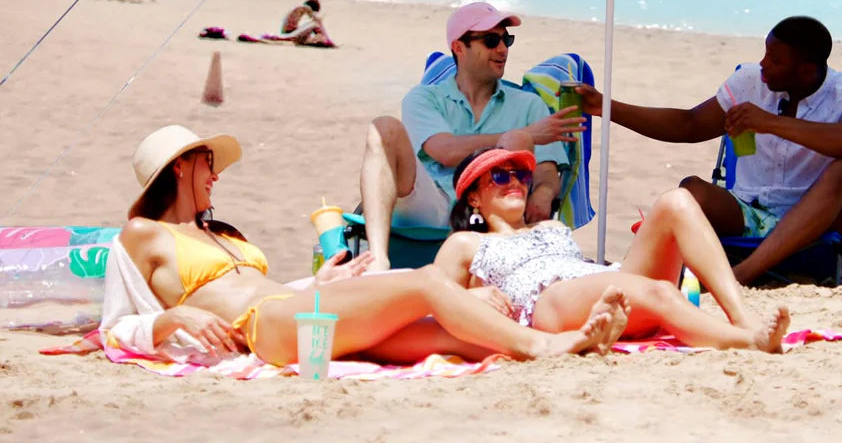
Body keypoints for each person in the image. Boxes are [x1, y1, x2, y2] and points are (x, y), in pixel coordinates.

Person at [102, 125, 627, 367]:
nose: (215, 175)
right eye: (207, 164)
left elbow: (261, 289)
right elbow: (114, 324)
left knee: (448, 337)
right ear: (179, 167)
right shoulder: (144, 233)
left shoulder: (223, 235)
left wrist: (317, 282)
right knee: (426, 283)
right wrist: (171, 320)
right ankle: (543, 345)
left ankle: (566, 339)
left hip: (294, 311)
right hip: (264, 329)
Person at [575, 16, 842, 285]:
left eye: (775, 60)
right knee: (691, 191)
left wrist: (771, 123)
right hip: (749, 213)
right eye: (765, 53)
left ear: (806, 71)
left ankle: (741, 275)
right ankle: (638, 269)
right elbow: (689, 125)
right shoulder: (751, 82)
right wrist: (605, 107)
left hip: (818, 225)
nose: (763, 64)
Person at [435, 147, 790, 353]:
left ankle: (741, 315)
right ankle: (746, 341)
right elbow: (433, 298)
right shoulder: (466, 243)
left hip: (594, 285)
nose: (514, 181)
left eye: (520, 175)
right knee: (660, 292)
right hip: (547, 301)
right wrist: (472, 296)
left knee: (677, 201)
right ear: (474, 197)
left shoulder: (551, 226)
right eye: (499, 176)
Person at [358, 2, 584, 271]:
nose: (502, 49)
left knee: (517, 142)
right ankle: (378, 259)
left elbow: (546, 171)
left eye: (506, 40)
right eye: (491, 41)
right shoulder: (425, 98)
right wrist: (526, 134)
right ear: (458, 47)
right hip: (432, 203)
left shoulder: (529, 105)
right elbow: (444, 150)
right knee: (384, 127)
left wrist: (544, 194)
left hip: (496, 209)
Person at [257, 0, 335, 47]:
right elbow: (314, 18)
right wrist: (317, 19)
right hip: (289, 33)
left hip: (288, 32)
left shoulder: (299, 8)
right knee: (315, 24)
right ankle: (327, 41)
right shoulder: (304, 7)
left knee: (312, 31)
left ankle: (322, 40)